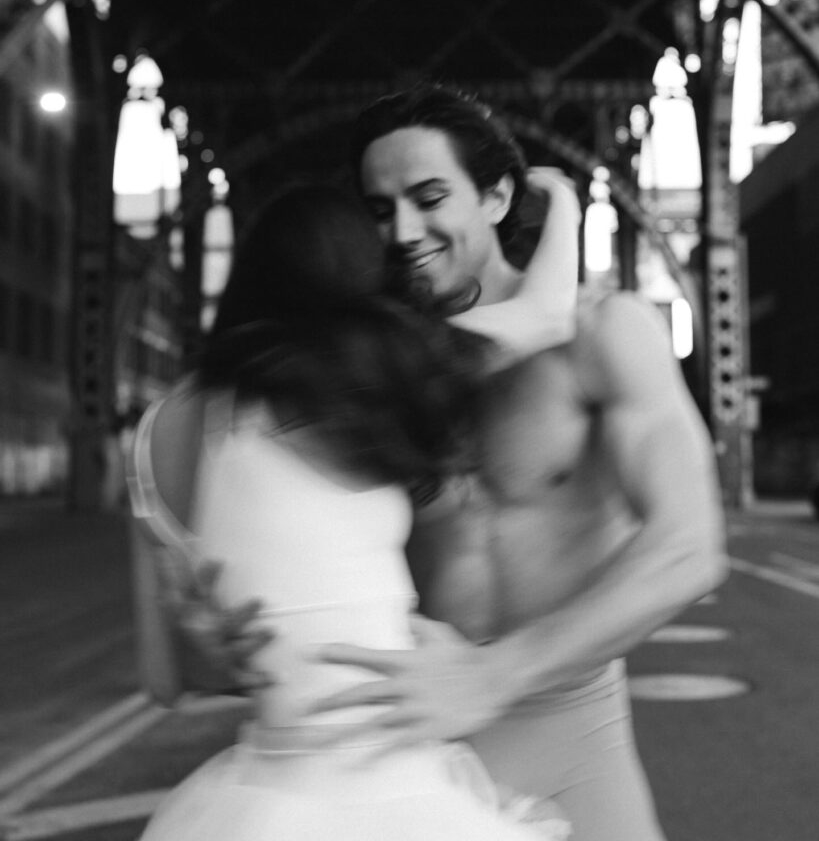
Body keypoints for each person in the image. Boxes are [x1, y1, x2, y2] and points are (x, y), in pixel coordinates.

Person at [149, 84, 726, 841]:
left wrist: (497, 674)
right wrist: (218, 635)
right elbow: (272, 565)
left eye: (428, 197)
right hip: (399, 743)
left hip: (569, 732)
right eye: (379, 210)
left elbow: (688, 550)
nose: (402, 231)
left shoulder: (604, 332)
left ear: (494, 196)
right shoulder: (355, 374)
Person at [128, 180, 580, 841]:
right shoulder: (356, 376)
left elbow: (165, 680)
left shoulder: (154, 433)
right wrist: (560, 197)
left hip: (264, 795)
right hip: (393, 781)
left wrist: (234, 647)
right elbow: (549, 313)